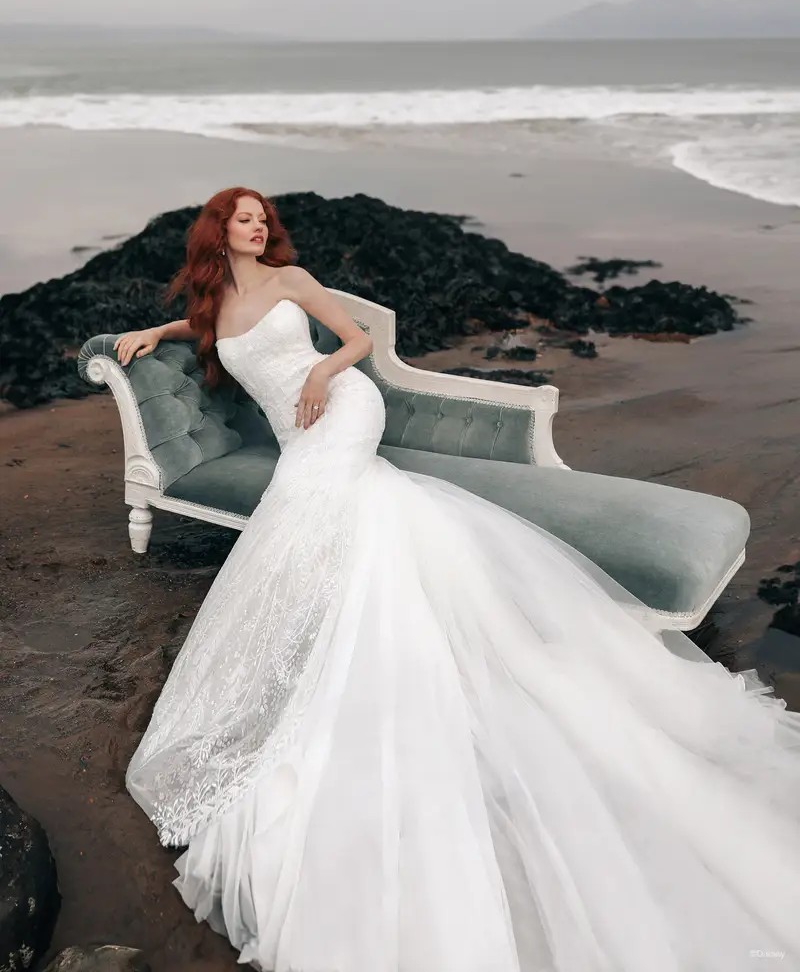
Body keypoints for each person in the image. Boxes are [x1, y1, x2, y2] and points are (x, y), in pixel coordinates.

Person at [116, 186, 800, 972]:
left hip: (341, 409)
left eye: (263, 218)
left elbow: (353, 343)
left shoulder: (290, 280)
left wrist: (318, 377)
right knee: (344, 515)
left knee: (307, 507)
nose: (258, 225)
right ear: (217, 231)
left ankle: (343, 630)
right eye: (245, 218)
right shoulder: (213, 304)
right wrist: (151, 329)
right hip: (299, 438)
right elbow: (204, 326)